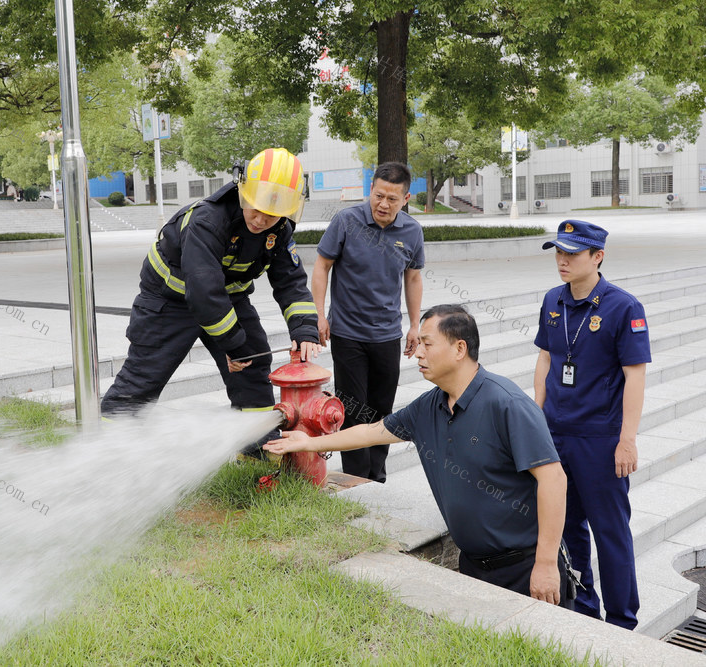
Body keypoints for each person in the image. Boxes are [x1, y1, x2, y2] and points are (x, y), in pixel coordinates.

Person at [266, 305, 575, 605]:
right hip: (472, 566)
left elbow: (553, 479)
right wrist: (308, 443)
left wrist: (546, 564)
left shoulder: (506, 404)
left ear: (459, 349)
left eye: (428, 344)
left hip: (526, 567)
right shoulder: (430, 406)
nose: (418, 352)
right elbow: (372, 432)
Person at [101, 148, 320, 435]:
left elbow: (290, 281)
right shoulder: (208, 220)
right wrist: (234, 346)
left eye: (273, 214)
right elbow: (204, 291)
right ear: (243, 191)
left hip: (228, 298)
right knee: (145, 376)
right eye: (255, 207)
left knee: (253, 367)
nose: (260, 220)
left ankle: (255, 448)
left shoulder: (279, 230)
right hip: (168, 301)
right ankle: (110, 445)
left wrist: (304, 329)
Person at [533, 220, 650, 629]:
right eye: (558, 252)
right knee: (567, 528)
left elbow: (635, 375)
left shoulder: (623, 307)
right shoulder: (552, 300)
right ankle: (584, 607)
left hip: (600, 440)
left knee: (610, 533)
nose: (562, 260)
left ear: (597, 257)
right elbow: (546, 360)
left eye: (572, 253)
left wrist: (627, 440)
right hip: (556, 434)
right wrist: (537, 419)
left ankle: (622, 622)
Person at [311, 162, 424, 482]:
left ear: (405, 199)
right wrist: (319, 314)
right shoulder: (346, 222)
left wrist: (415, 324)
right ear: (369, 191)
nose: (383, 204)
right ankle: (356, 478)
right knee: (352, 410)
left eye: (392, 198)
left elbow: (413, 278)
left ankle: (377, 476)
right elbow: (321, 267)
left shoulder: (412, 231)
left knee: (381, 410)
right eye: (378, 195)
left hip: (387, 335)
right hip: (348, 335)